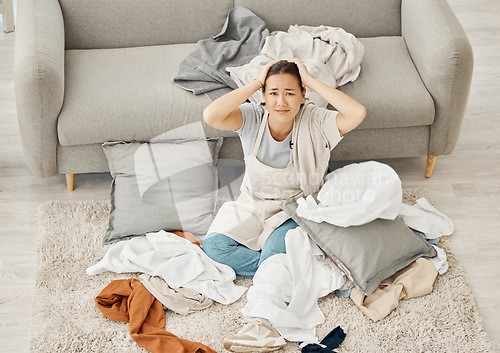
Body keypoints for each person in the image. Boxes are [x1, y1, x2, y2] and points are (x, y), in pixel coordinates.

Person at [202, 59, 366, 278]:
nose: (281, 102)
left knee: (274, 256)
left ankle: (273, 264)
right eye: (273, 93)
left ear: (302, 94)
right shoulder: (252, 117)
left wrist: (310, 80)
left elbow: (357, 113)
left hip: (295, 211)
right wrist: (256, 82)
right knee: (213, 248)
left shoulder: (316, 120)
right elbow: (211, 115)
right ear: (263, 96)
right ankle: (276, 269)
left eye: (289, 93)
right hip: (253, 204)